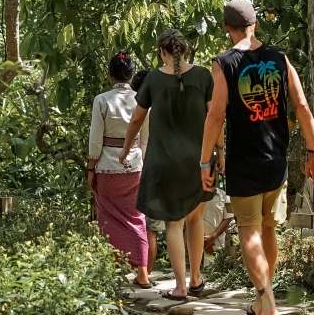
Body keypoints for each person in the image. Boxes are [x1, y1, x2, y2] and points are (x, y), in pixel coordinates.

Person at [199, 0, 314, 315]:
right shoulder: (280, 59)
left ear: (227, 28)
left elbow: (215, 115)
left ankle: (266, 301)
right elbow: (301, 106)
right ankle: (261, 301)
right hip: (276, 161)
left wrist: (205, 161)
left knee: (249, 232)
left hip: (244, 163)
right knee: (268, 229)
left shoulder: (224, 63)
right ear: (255, 25)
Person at [120, 29, 217, 301]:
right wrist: (220, 150)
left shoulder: (152, 79)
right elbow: (215, 117)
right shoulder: (203, 76)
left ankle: (180, 287)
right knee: (195, 220)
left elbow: (137, 120)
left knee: (174, 223)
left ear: (162, 51)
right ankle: (196, 278)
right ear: (185, 50)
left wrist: (127, 149)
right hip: (198, 161)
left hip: (164, 163)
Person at [87, 51, 151, 288]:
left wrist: (90, 168)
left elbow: (95, 140)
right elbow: (145, 139)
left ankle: (112, 271)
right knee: (137, 218)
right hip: (135, 167)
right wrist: (138, 161)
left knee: (107, 219)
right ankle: (143, 273)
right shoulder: (142, 99)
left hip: (107, 167)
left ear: (110, 74)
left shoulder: (101, 100)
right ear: (131, 73)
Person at [130, 69, 164, 275]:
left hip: (141, 171)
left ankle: (141, 273)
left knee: (138, 224)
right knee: (151, 228)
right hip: (160, 171)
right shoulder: (160, 109)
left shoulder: (140, 111)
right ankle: (147, 274)